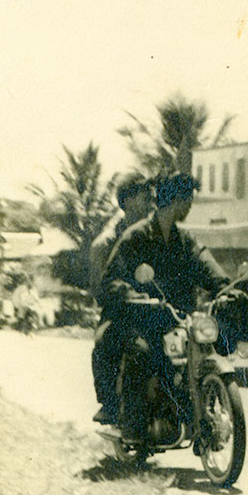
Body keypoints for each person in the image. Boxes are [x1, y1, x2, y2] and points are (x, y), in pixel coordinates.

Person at [96, 173, 232, 437]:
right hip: (139, 319)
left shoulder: (185, 239)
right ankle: (134, 427)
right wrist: (134, 297)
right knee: (142, 353)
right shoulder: (136, 237)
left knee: (206, 348)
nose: (191, 206)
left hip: (177, 319)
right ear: (176, 200)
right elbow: (110, 281)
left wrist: (226, 288)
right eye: (188, 200)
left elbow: (205, 263)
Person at [90, 173, 155, 424]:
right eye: (144, 197)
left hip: (156, 309)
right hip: (120, 313)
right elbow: (101, 290)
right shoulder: (105, 242)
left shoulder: (152, 234)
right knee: (104, 342)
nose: (150, 202)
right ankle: (110, 405)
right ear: (126, 201)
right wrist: (127, 295)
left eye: (151, 197)